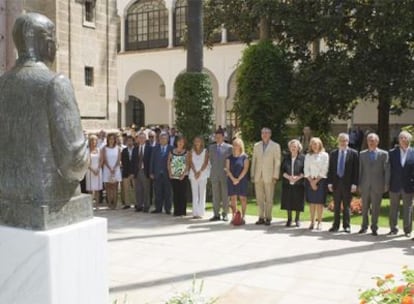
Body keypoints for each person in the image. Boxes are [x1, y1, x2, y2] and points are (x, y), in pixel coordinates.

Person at [358, 133, 390, 236]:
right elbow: (360, 170)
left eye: (373, 140)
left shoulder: (384, 154)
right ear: (367, 142)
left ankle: (374, 227)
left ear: (377, 142)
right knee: (364, 208)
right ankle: (364, 226)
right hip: (365, 185)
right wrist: (358, 184)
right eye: (369, 140)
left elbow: (387, 171)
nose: (371, 142)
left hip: (378, 185)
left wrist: (386, 184)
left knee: (376, 208)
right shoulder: (362, 154)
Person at [327, 133, 359, 233]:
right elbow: (331, 169)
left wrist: (354, 184)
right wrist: (330, 183)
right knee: (336, 206)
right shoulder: (333, 153)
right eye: (341, 140)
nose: (343, 142)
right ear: (338, 141)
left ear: (348, 141)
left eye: (345, 140)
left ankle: (346, 226)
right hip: (336, 184)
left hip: (348, 184)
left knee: (347, 206)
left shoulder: (353, 153)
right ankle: (335, 226)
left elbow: (356, 170)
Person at [251, 127, 281, 226]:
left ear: (270, 134)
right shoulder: (256, 145)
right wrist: (252, 174)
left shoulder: (275, 146)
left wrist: (275, 175)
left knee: (269, 198)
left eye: (266, 133)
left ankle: (268, 217)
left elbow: (277, 162)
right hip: (258, 175)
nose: (264, 134)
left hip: (270, 175)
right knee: (259, 198)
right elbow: (254, 161)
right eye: (263, 132)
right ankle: (261, 217)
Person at [388, 131, 414, 238]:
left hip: (409, 186)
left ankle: (407, 230)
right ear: (398, 140)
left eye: (405, 138)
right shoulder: (392, 152)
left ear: (409, 140)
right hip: (394, 184)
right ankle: (393, 228)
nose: (403, 140)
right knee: (393, 208)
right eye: (401, 138)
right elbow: (389, 169)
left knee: (408, 209)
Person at [304, 137, 329, 230]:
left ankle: (319, 222)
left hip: (321, 180)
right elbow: (306, 169)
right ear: (310, 145)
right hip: (310, 180)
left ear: (320, 144)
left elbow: (324, 169)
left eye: (316, 144)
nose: (314, 145)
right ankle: (312, 222)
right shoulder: (308, 155)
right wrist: (311, 181)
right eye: (313, 144)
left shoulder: (325, 155)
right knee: (312, 203)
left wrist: (316, 181)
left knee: (319, 203)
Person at [208, 129, 233, 221]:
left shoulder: (229, 147)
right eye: (216, 137)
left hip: (225, 174)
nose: (217, 139)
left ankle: (225, 214)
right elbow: (211, 160)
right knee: (215, 195)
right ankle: (216, 214)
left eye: (219, 137)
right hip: (214, 174)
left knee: (225, 195)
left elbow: (230, 161)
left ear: (223, 137)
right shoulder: (211, 147)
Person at [281, 139, 305, 227]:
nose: (293, 148)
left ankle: (297, 219)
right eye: (291, 146)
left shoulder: (303, 158)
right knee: (288, 201)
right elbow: (282, 170)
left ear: (298, 148)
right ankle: (289, 219)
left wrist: (297, 178)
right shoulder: (286, 157)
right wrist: (289, 177)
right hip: (287, 182)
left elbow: (305, 171)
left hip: (299, 183)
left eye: (295, 146)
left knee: (298, 201)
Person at [225, 138, 249, 225]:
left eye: (237, 144)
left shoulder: (244, 157)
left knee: (243, 198)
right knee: (233, 199)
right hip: (231, 180)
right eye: (234, 144)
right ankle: (234, 216)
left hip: (242, 180)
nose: (235, 146)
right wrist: (233, 179)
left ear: (240, 146)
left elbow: (245, 169)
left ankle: (243, 216)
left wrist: (238, 179)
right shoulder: (229, 158)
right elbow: (227, 169)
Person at [150, 132, 173, 214]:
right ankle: (158, 208)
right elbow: (152, 161)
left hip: (168, 174)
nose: (163, 140)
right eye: (161, 139)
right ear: (159, 140)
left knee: (168, 192)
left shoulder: (171, 148)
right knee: (158, 192)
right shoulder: (155, 148)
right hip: (157, 174)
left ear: (168, 140)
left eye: (165, 138)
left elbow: (173, 161)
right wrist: (151, 172)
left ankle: (168, 209)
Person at [168, 136, 190, 216]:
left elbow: (187, 164)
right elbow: (169, 162)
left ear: (184, 143)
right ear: (176, 142)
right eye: (179, 141)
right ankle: (176, 211)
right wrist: (170, 173)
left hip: (183, 176)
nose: (180, 143)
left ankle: (182, 211)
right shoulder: (172, 151)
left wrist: (183, 174)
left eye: (182, 142)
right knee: (175, 193)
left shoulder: (187, 152)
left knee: (183, 194)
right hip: (174, 175)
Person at [189, 136, 210, 219]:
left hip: (203, 173)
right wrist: (195, 172)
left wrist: (200, 172)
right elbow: (190, 163)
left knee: (202, 193)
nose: (197, 142)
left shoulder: (205, 151)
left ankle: (201, 212)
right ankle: (195, 212)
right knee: (194, 193)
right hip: (193, 174)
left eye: (199, 141)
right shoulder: (191, 151)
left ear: (201, 142)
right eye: (196, 141)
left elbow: (205, 162)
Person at [132, 132, 152, 212]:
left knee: (146, 189)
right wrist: (133, 173)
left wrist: (150, 172)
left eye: (143, 138)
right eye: (140, 138)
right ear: (138, 139)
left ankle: (146, 206)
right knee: (138, 189)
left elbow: (151, 161)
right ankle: (139, 205)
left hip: (145, 171)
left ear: (146, 139)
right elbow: (133, 162)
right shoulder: (135, 149)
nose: (141, 139)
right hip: (137, 171)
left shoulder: (149, 148)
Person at [102, 133, 122, 209]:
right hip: (107, 169)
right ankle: (109, 203)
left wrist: (114, 168)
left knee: (115, 187)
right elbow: (104, 159)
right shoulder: (104, 148)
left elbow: (119, 159)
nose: (111, 140)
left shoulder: (118, 148)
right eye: (110, 139)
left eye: (113, 139)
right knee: (108, 187)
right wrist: (110, 168)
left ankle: (115, 204)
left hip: (116, 169)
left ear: (115, 140)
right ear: (108, 140)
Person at [86, 135, 103, 209]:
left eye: (95, 140)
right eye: (92, 140)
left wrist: (98, 168)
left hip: (98, 170)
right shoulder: (86, 150)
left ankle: (97, 205)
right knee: (90, 189)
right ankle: (90, 205)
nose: (93, 142)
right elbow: (86, 162)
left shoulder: (99, 150)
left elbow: (101, 160)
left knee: (97, 189)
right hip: (90, 170)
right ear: (89, 141)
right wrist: (92, 170)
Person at [120, 135, 136, 209]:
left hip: (134, 173)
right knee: (126, 189)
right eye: (128, 141)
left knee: (135, 189)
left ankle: (136, 203)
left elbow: (137, 162)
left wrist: (133, 173)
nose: (129, 142)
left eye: (131, 141)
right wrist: (128, 173)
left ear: (133, 141)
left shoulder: (136, 150)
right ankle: (127, 203)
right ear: (126, 142)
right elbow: (123, 162)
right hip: (126, 172)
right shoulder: (124, 151)